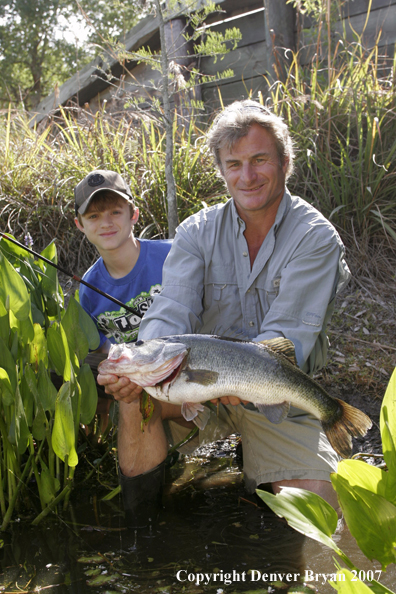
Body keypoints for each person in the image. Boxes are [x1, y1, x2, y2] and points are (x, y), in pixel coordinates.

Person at [97, 101, 351, 524]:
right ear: (221, 169)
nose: (246, 176)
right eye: (233, 164)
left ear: (285, 163)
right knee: (134, 399)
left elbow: (287, 340)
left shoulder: (315, 238)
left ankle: (276, 470)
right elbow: (171, 309)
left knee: (319, 512)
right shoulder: (195, 233)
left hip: (274, 393)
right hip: (196, 386)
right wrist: (140, 362)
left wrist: (241, 376)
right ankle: (143, 534)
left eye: (259, 160)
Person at [74, 169, 172, 431]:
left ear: (133, 214)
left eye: (115, 212)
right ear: (80, 225)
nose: (105, 223)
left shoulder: (173, 256)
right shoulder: (89, 289)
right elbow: (99, 350)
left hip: (184, 371)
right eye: (93, 216)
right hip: (136, 384)